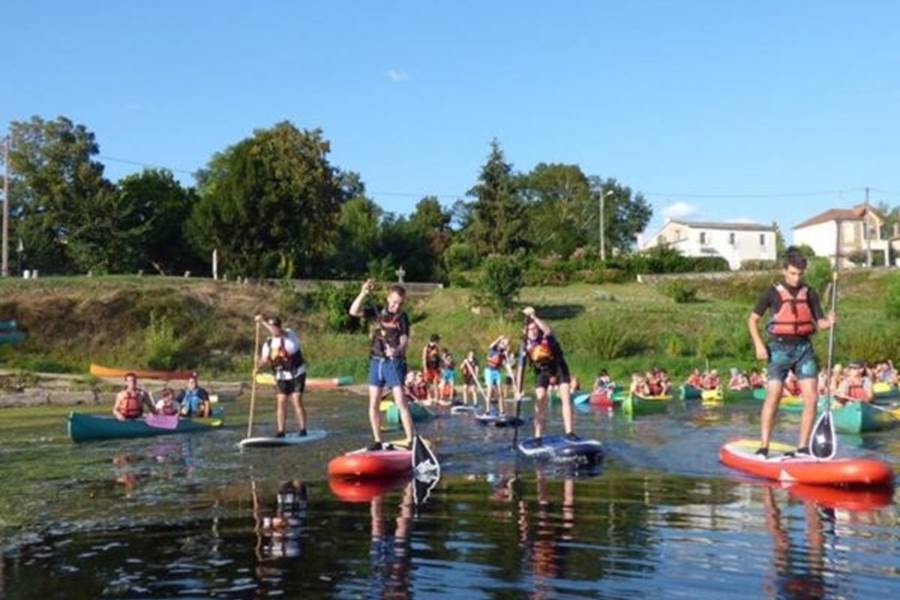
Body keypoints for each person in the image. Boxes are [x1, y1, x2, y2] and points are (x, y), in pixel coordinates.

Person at [748, 249, 836, 458]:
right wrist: (759, 345)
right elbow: (752, 319)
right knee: (774, 396)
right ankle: (764, 446)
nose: (797, 278)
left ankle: (803, 447)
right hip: (778, 349)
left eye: (800, 274)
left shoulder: (810, 293)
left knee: (812, 398)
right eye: (793, 273)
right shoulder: (771, 292)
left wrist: (829, 322)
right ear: (784, 270)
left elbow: (820, 322)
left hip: (804, 348)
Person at [349, 279, 416, 450]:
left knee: (401, 401)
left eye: (400, 303)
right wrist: (363, 293)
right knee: (373, 403)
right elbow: (353, 311)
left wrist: (397, 350)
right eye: (394, 302)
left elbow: (404, 340)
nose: (396, 306)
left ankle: (411, 440)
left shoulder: (402, 317)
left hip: (394, 362)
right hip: (376, 361)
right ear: (388, 299)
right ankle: (378, 440)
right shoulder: (377, 311)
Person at [521, 306, 578, 442]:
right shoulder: (525, 345)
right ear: (526, 332)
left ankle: (569, 432)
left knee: (565, 398)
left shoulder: (547, 337)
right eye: (530, 329)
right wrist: (519, 390)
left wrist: (534, 317)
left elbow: (547, 329)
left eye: (535, 329)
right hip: (542, 371)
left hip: (559, 368)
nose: (533, 331)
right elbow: (520, 369)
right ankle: (537, 436)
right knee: (540, 401)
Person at [256, 315, 308, 438]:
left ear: (279, 327)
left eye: (274, 327)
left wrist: (263, 321)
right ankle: (281, 431)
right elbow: (264, 360)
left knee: (296, 400)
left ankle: (303, 429)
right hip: (281, 376)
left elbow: (278, 332)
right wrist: (257, 367)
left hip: (297, 373)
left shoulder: (289, 334)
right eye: (271, 327)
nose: (272, 330)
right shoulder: (268, 343)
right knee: (281, 401)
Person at [484, 336, 512, 415]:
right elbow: (491, 345)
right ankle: (487, 410)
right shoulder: (494, 348)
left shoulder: (504, 353)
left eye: (506, 344)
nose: (505, 345)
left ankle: (502, 411)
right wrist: (499, 338)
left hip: (497, 372)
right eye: (504, 343)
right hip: (489, 371)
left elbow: (506, 364)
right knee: (489, 391)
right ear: (500, 343)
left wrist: (510, 372)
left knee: (500, 392)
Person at [422, 335, 442, 403]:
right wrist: (425, 368)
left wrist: (440, 367)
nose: (438, 343)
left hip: (435, 367)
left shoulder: (436, 348)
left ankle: (437, 398)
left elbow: (438, 358)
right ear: (435, 341)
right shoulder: (426, 347)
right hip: (428, 367)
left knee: (435, 382)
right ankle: (429, 397)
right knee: (428, 383)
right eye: (438, 341)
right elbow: (424, 358)